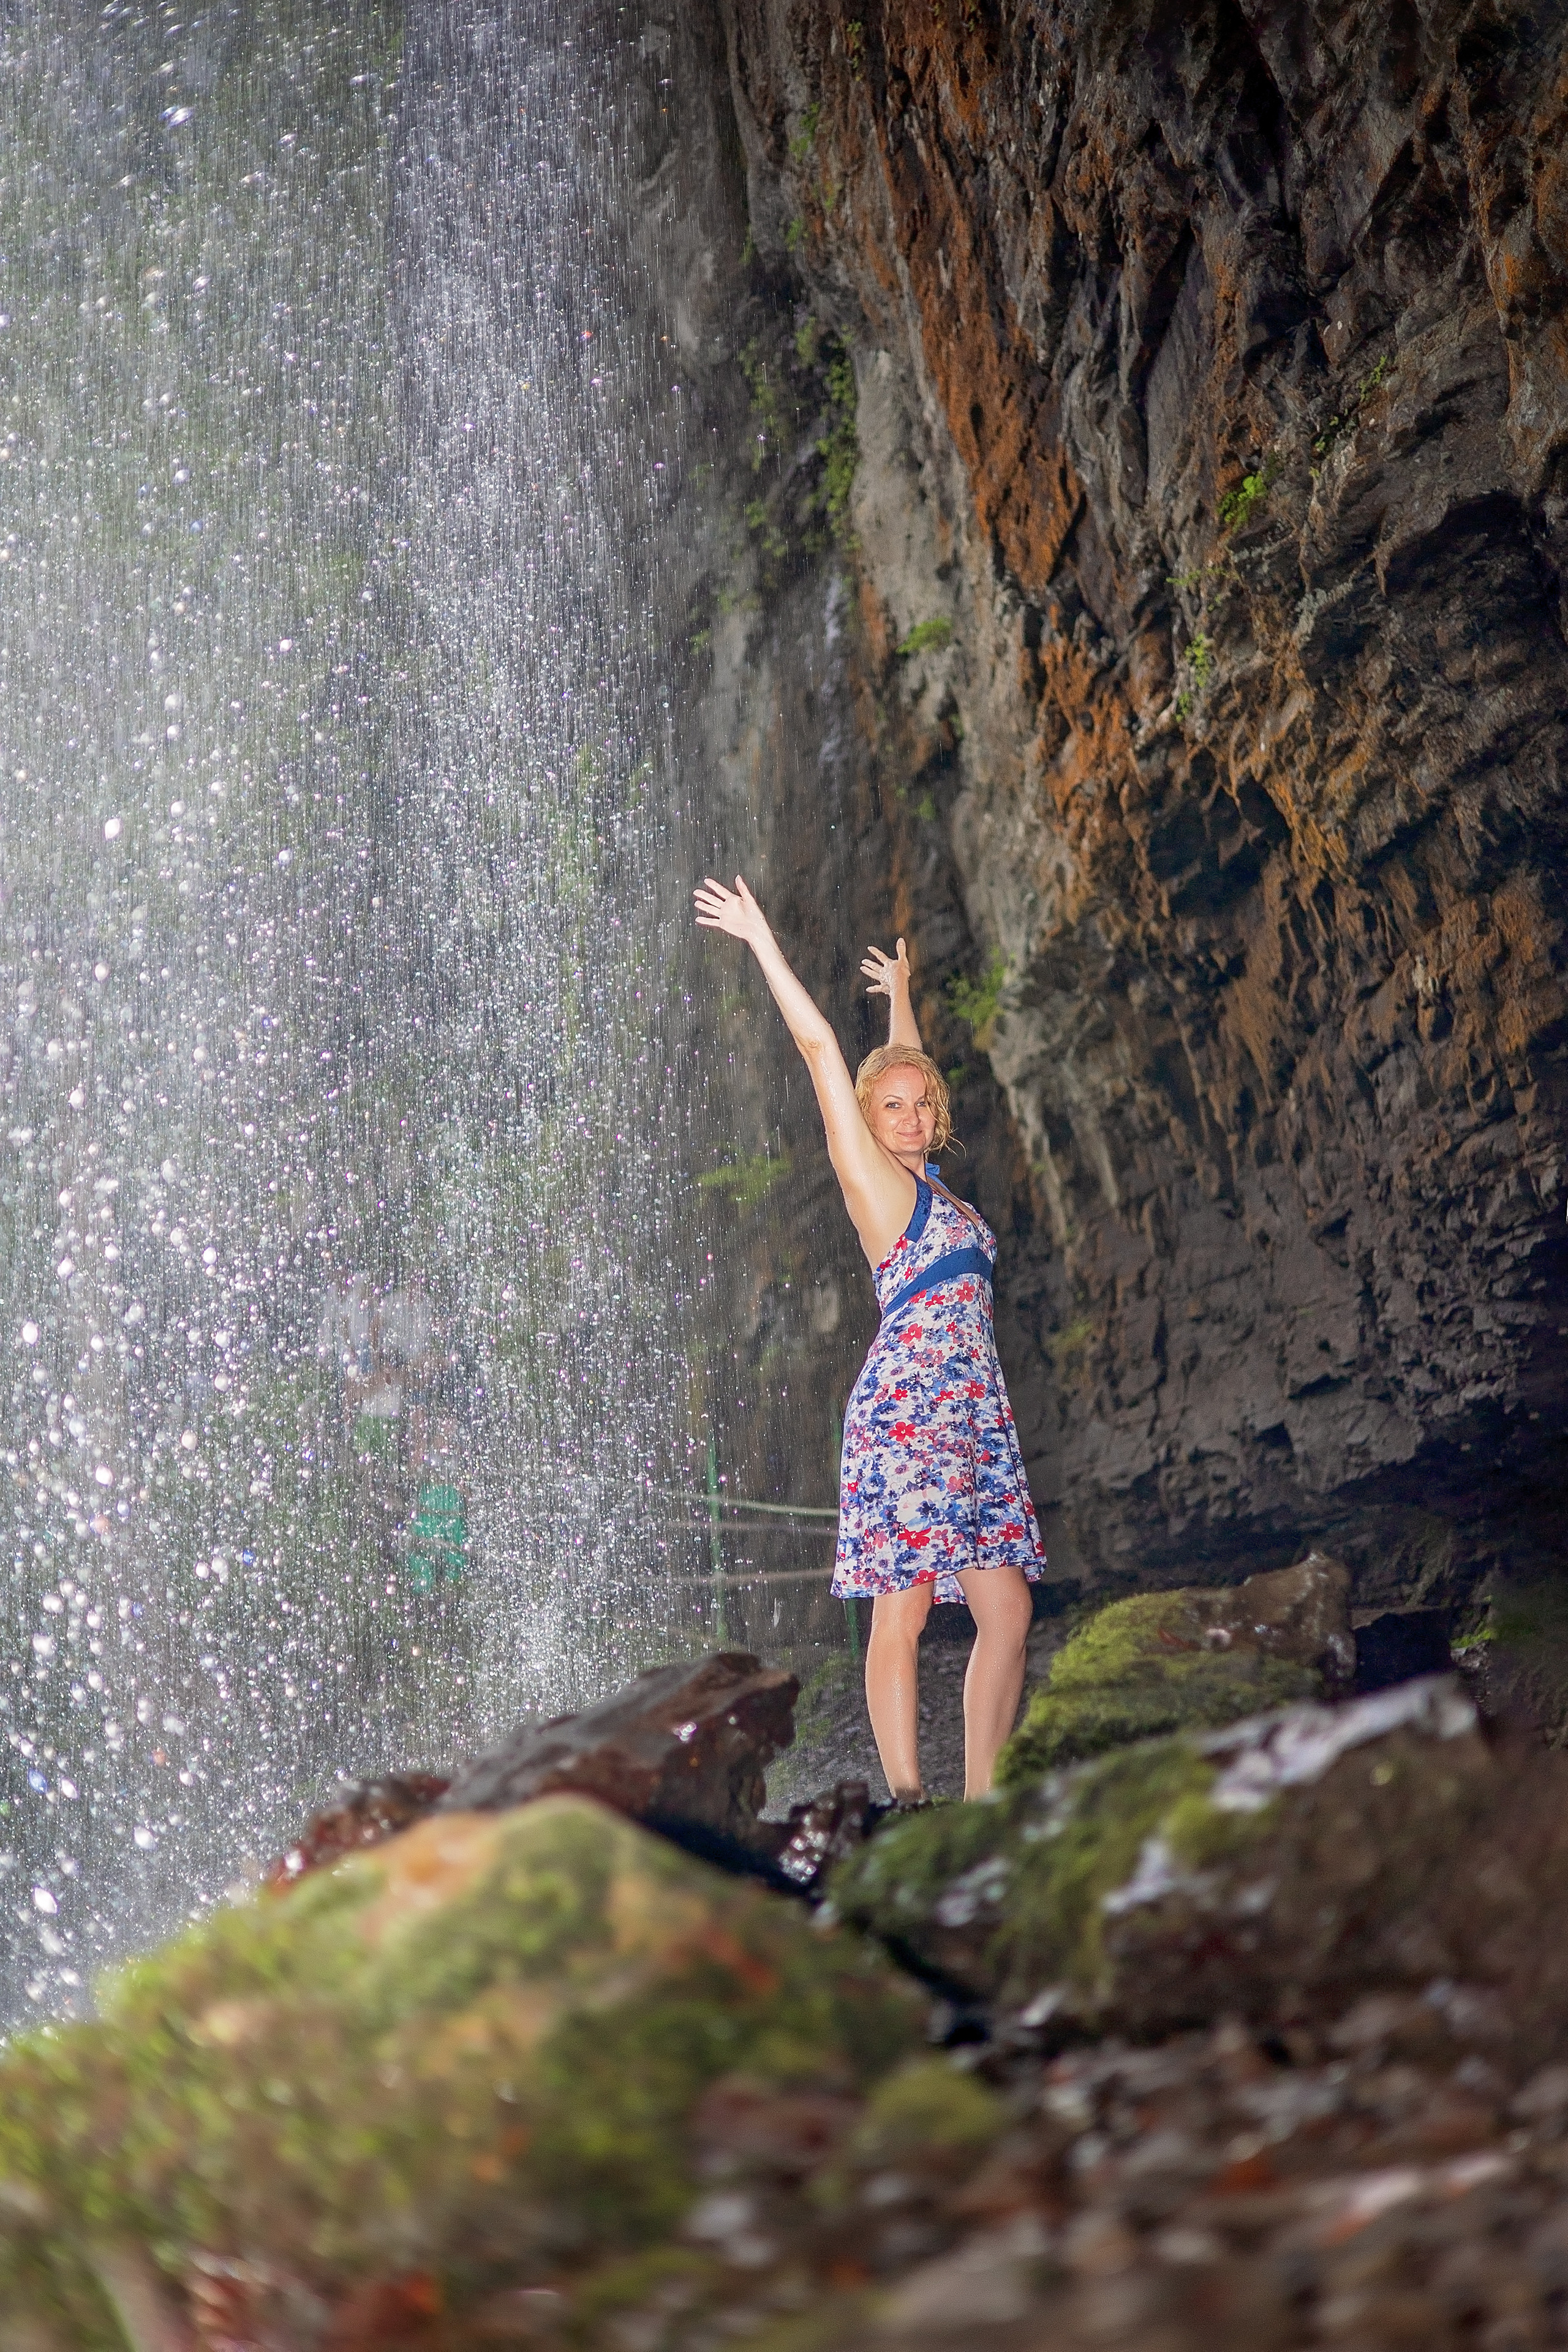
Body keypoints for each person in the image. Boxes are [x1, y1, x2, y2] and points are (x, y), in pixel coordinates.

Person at [694, 875, 1045, 1800]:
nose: (910, 1116)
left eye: (921, 1106)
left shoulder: (945, 1194)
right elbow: (818, 1049)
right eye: (890, 1108)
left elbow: (910, 1069)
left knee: (1005, 1609)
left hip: (973, 1412)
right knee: (908, 1601)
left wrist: (903, 1002)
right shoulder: (877, 1189)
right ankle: (910, 1799)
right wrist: (762, 942)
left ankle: (981, 1799)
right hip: (909, 1407)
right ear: (868, 1119)